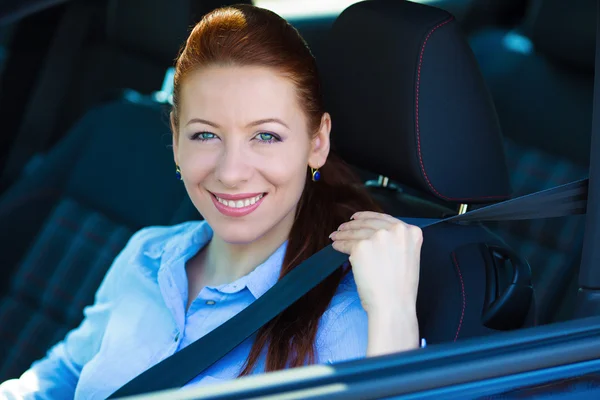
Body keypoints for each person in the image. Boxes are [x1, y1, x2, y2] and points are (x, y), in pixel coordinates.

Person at [0, 4, 423, 399]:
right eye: (205, 134)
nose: (231, 171)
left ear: (317, 142)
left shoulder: (345, 317)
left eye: (266, 136)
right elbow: (61, 376)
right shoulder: (147, 255)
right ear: (176, 141)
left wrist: (395, 310)